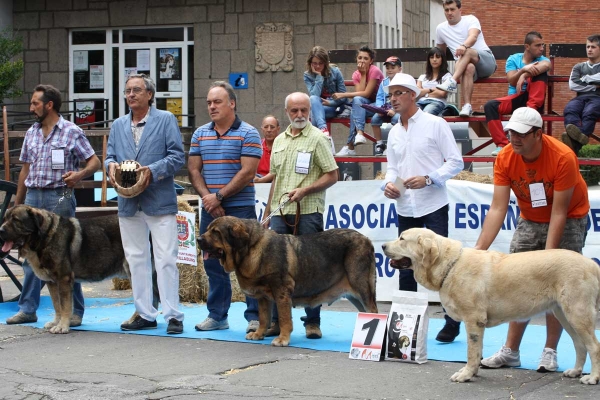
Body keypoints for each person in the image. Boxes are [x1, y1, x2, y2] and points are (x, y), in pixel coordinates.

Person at [477, 107, 589, 372]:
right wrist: (479, 250)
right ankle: (510, 351)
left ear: (538, 134)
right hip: (530, 217)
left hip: (570, 216)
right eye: (511, 132)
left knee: (556, 286)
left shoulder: (563, 157)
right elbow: (497, 208)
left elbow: (559, 212)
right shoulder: (505, 157)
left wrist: (548, 262)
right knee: (517, 282)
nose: (514, 138)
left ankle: (550, 351)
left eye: (522, 134)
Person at [5, 84, 101, 326]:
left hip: (59, 197)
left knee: (66, 258)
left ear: (49, 105)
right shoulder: (31, 133)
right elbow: (24, 170)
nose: (31, 107)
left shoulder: (71, 131)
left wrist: (79, 175)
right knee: (29, 256)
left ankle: (75, 313)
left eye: (35, 103)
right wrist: (17, 204)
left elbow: (94, 161)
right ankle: (28, 309)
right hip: (34, 198)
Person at [381, 73, 464, 343]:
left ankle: (452, 322)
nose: (392, 99)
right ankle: (405, 326)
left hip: (433, 204)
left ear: (412, 95)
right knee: (405, 264)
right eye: (390, 94)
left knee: (444, 265)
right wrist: (389, 185)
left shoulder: (435, 124)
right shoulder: (393, 131)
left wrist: (429, 178)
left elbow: (455, 162)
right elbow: (392, 167)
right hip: (405, 206)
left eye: (398, 93)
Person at [106, 74, 185, 335]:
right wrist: (111, 167)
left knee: (166, 259)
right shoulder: (117, 125)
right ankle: (144, 313)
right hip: (128, 202)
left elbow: (177, 157)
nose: (131, 94)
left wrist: (151, 170)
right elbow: (108, 157)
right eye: (128, 90)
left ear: (149, 94)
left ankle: (173, 315)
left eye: (136, 90)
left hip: (159, 200)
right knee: (136, 259)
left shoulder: (166, 120)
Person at [262, 92, 339, 339]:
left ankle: (312, 322)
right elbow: (275, 179)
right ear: (287, 113)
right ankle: (277, 321)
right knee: (275, 270)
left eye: (303, 110)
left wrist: (305, 190)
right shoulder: (280, 141)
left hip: (309, 212)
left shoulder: (318, 139)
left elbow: (332, 175)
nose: (299, 115)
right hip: (279, 212)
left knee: (311, 268)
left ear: (309, 111)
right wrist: (267, 212)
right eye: (294, 111)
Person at [188, 81, 261, 333]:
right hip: (210, 209)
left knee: (248, 263)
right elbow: (194, 170)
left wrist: (218, 196)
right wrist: (209, 198)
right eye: (209, 102)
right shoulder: (200, 134)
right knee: (212, 264)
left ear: (232, 103)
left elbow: (248, 171)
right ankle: (218, 315)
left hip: (240, 210)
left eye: (217, 101)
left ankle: (256, 317)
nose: (211, 106)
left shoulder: (249, 133)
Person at [484, 31, 550, 156]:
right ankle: (502, 145)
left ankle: (530, 111)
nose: (541, 49)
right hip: (516, 98)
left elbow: (546, 65)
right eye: (538, 45)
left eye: (543, 45)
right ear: (527, 46)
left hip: (534, 101)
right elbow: (512, 81)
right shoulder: (514, 59)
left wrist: (525, 74)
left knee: (540, 72)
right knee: (490, 106)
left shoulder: (542, 59)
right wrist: (523, 70)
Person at [435, 0, 497, 117]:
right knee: (468, 67)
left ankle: (452, 82)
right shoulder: (440, 29)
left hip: (486, 61)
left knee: (467, 52)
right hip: (466, 68)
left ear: (460, 10)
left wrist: (464, 46)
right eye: (446, 10)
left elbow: (473, 36)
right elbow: (440, 52)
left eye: (452, 9)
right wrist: (440, 74)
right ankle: (467, 106)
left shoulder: (470, 19)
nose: (449, 13)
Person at [333, 46, 384, 156]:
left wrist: (343, 95)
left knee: (355, 110)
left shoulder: (374, 71)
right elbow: (359, 94)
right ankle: (356, 139)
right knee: (356, 104)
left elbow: (366, 93)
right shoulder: (356, 74)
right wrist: (362, 74)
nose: (362, 61)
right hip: (365, 105)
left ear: (371, 61)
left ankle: (350, 145)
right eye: (360, 58)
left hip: (380, 104)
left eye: (365, 58)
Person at [561, 34, 600, 155]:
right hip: (580, 98)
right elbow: (573, 84)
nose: (589, 49)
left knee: (589, 112)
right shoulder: (579, 67)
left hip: (597, 98)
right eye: (588, 46)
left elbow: (580, 82)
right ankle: (577, 134)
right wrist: (594, 85)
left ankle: (574, 142)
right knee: (570, 108)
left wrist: (584, 79)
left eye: (593, 47)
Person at [303, 45, 348, 151]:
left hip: (335, 106)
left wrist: (330, 103)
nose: (318, 66)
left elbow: (343, 96)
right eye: (315, 63)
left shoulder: (335, 72)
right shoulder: (308, 75)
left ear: (325, 63)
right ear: (310, 63)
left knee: (314, 112)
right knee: (313, 100)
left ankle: (313, 145)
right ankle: (324, 131)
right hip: (319, 107)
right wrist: (318, 77)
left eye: (320, 63)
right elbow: (314, 95)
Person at [370, 56, 403, 155]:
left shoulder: (402, 82)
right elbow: (379, 97)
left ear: (400, 69)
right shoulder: (384, 82)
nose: (390, 70)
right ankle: (379, 143)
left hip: (398, 109)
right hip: (385, 108)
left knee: (396, 119)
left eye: (393, 68)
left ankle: (396, 143)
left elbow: (402, 99)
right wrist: (380, 109)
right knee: (374, 119)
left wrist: (394, 110)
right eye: (388, 68)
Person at [416, 47, 453, 116]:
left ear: (442, 59)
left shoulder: (447, 76)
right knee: (404, 116)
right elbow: (417, 92)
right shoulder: (423, 76)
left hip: (437, 102)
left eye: (438, 57)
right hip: (421, 102)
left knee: (425, 115)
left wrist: (424, 92)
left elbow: (442, 94)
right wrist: (431, 89)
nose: (434, 60)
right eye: (432, 57)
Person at [255, 115, 280, 184]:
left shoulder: (283, 146)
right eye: (266, 127)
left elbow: (278, 171)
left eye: (272, 127)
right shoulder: (256, 146)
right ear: (262, 129)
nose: (269, 130)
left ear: (278, 129)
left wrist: (261, 180)